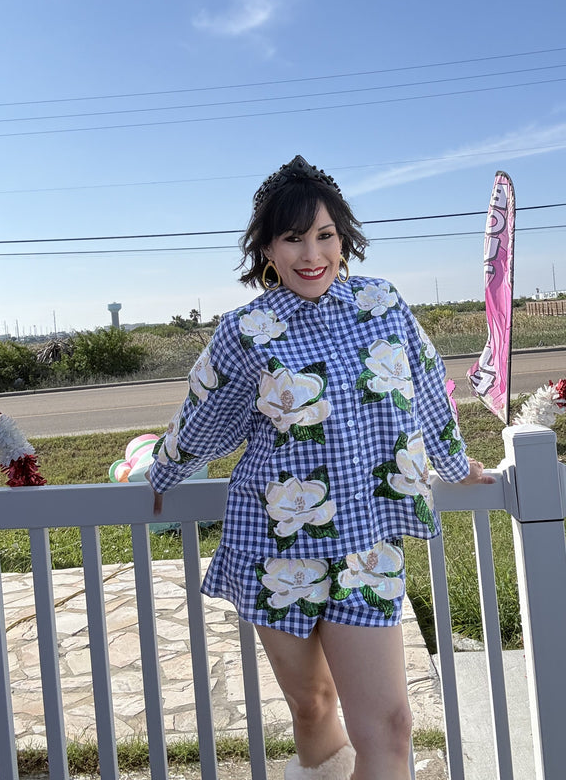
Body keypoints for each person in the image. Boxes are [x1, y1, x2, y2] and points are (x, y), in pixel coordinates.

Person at [147, 155, 494, 780]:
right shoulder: (246, 331)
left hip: (365, 544)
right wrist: (163, 472)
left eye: (325, 235)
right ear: (268, 250)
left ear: (344, 239)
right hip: (276, 544)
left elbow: (424, 384)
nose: (313, 253)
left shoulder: (382, 302)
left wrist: (452, 461)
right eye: (293, 237)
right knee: (310, 706)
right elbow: (204, 416)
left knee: (389, 728)